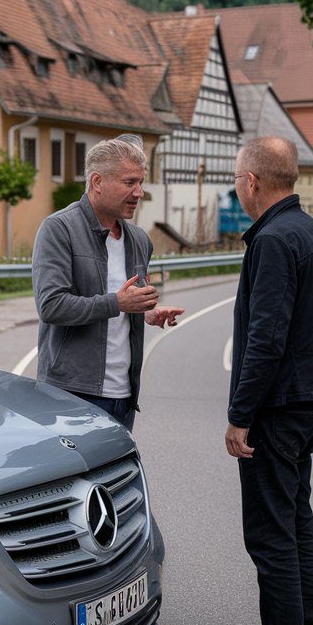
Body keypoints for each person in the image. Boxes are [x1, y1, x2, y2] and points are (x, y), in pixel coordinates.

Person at [210, 137, 313, 625]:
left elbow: (266, 337)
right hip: (310, 401)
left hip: (277, 406)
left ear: (253, 182)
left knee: (269, 533)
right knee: (296, 523)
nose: (238, 186)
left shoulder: (274, 241)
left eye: (238, 178)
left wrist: (240, 415)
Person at [31, 136, 183, 431]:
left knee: (117, 476)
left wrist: (146, 311)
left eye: (141, 182)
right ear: (97, 181)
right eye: (129, 183)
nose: (139, 192)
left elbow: (127, 299)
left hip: (123, 395)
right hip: (71, 393)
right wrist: (117, 303)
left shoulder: (139, 239)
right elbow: (51, 306)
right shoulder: (58, 229)